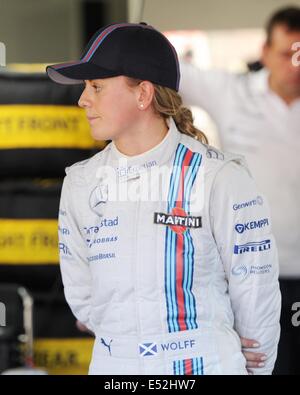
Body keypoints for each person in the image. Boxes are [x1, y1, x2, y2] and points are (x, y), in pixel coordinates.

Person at [46, 22, 280, 375]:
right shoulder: (81, 183)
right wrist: (131, 342)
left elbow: (256, 290)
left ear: (143, 94)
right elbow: (83, 295)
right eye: (84, 87)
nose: (83, 100)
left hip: (205, 366)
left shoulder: (219, 176)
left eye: (96, 86)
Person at [179, 6, 300, 374]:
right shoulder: (232, 92)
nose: (296, 65)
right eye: (286, 54)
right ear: (264, 52)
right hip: (250, 272)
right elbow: (176, 71)